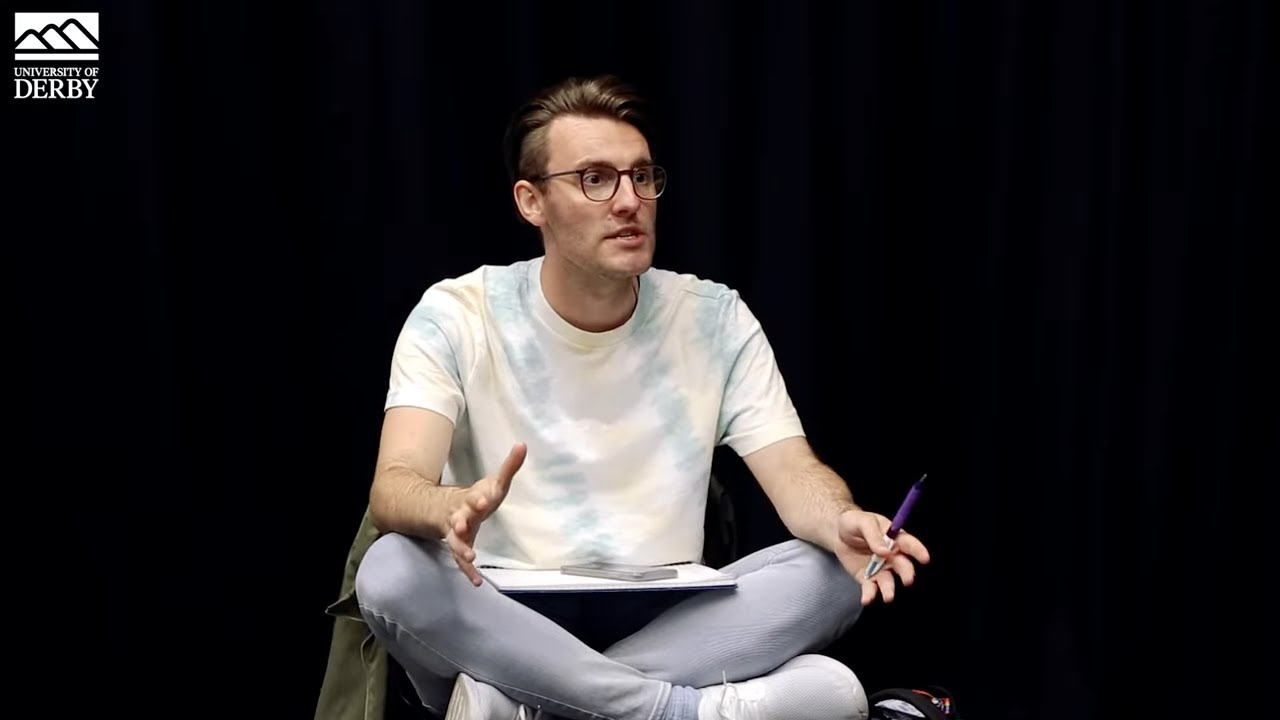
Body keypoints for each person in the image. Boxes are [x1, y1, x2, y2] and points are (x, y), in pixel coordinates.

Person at [353, 74, 931, 720]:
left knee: (835, 574)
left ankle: (532, 706)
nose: (629, 200)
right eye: (595, 179)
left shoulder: (714, 319)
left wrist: (841, 519)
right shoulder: (456, 314)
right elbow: (395, 485)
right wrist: (448, 505)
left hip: (670, 616)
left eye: (642, 177)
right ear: (530, 201)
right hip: (499, 610)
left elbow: (795, 474)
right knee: (389, 571)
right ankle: (669, 711)